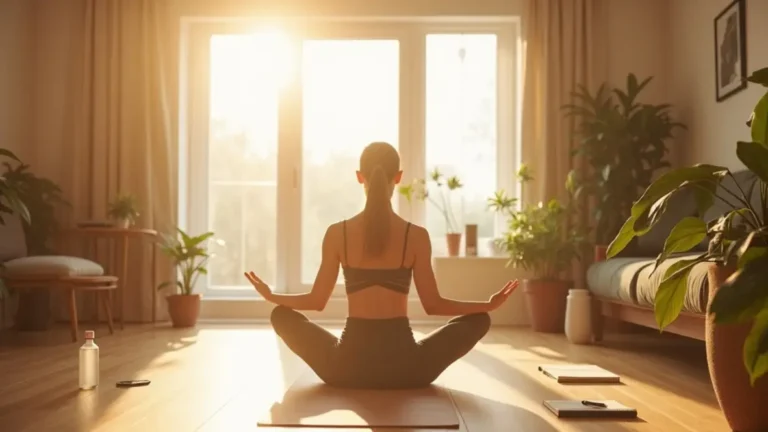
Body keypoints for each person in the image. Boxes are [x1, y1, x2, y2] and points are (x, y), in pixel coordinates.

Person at [244, 141, 519, 389]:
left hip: (344, 369)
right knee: (479, 321)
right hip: (408, 370)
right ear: (398, 178)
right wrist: (487, 306)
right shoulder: (416, 236)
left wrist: (272, 296)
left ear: (358, 177)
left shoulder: (337, 233)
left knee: (281, 315)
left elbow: (317, 301)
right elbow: (433, 305)